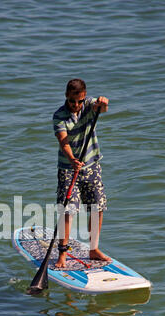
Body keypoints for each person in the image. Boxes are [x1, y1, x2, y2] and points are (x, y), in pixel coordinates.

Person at [53, 78, 111, 268]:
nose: (76, 105)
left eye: (79, 101)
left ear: (84, 97)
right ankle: (62, 254)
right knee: (68, 211)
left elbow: (101, 109)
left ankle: (93, 249)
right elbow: (64, 141)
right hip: (69, 170)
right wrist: (72, 159)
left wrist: (103, 103)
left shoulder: (89, 105)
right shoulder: (59, 116)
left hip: (91, 166)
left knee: (97, 207)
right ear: (66, 97)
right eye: (72, 101)